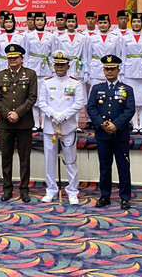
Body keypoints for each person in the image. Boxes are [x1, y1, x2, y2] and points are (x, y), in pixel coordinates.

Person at [87, 55, 135, 210]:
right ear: (103, 70)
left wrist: (116, 124)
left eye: (112, 68)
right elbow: (91, 108)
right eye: (107, 69)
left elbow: (130, 110)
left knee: (123, 167)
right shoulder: (97, 89)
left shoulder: (127, 89)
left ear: (118, 70)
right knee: (105, 167)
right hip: (103, 134)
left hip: (120, 134)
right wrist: (102, 124)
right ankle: (105, 196)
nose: (109, 71)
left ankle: (125, 197)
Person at [37, 50, 85, 205]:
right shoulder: (46, 82)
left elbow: (79, 103)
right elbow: (41, 102)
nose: (59, 68)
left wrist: (63, 115)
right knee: (49, 160)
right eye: (57, 64)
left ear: (68, 66)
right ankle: (51, 189)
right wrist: (53, 114)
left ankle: (72, 191)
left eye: (62, 65)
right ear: (53, 65)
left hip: (68, 127)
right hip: (50, 128)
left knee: (70, 160)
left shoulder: (75, 82)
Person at [0, 44, 38, 203]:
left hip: (24, 123)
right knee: (6, 157)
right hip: (6, 124)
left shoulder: (30, 74)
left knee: (24, 158)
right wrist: (7, 114)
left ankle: (24, 190)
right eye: (10, 58)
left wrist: (17, 113)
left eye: (15, 58)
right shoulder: (0, 76)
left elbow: (32, 98)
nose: (12, 60)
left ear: (21, 59)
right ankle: (7, 189)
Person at [121, 13, 142, 135]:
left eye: (139, 21)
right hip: (130, 71)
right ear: (131, 23)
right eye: (134, 21)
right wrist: (122, 73)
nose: (136, 23)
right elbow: (123, 56)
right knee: (132, 100)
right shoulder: (125, 37)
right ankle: (135, 125)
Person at [23, 11, 55, 131]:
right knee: (33, 96)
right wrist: (25, 68)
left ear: (45, 21)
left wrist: (53, 70)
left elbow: (53, 53)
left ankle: (46, 123)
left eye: (42, 20)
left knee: (47, 96)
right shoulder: (28, 36)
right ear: (34, 21)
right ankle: (36, 123)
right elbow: (25, 54)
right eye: (37, 20)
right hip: (33, 67)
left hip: (47, 69)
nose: (40, 22)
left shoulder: (51, 36)